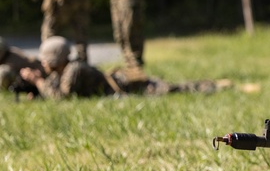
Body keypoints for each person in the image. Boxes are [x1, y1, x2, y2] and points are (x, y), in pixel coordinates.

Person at [16, 36, 232, 99]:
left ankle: (213, 86)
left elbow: (62, 98)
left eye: (45, 59)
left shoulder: (73, 71)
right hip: (119, 88)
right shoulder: (64, 71)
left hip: (126, 87)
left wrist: (37, 81)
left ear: (56, 59)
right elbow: (54, 90)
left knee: (171, 89)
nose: (42, 63)